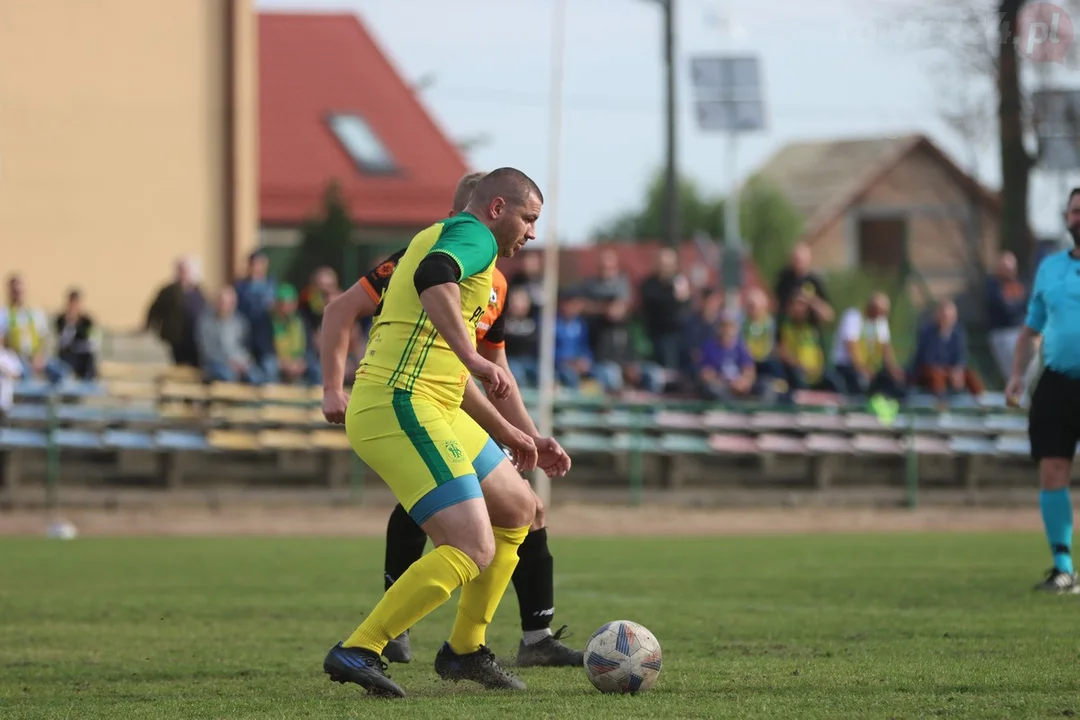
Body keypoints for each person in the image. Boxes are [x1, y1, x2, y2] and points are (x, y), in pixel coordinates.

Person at [319, 168, 568, 698]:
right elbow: (433, 275)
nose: (532, 233)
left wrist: (521, 434)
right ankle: (362, 648)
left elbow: (456, 375)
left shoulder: (464, 250)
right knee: (473, 544)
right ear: (497, 208)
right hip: (398, 401)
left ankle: (464, 651)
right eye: (529, 219)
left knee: (519, 510)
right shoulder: (474, 236)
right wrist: (473, 355)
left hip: (432, 400)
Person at [1006, 187, 1080, 593]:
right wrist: (1017, 375)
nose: (1079, 217)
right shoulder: (1050, 268)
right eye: (1074, 211)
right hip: (1056, 382)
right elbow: (1030, 329)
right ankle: (1063, 567)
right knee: (1053, 470)